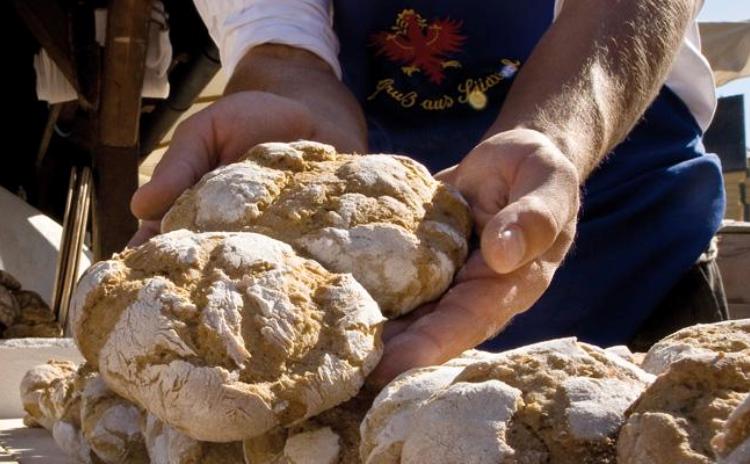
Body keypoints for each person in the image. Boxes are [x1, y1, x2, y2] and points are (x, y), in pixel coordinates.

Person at [130, 0, 727, 385]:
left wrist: (551, 134)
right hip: (379, 285)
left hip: (635, 244)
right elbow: (276, 36)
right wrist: (295, 120)